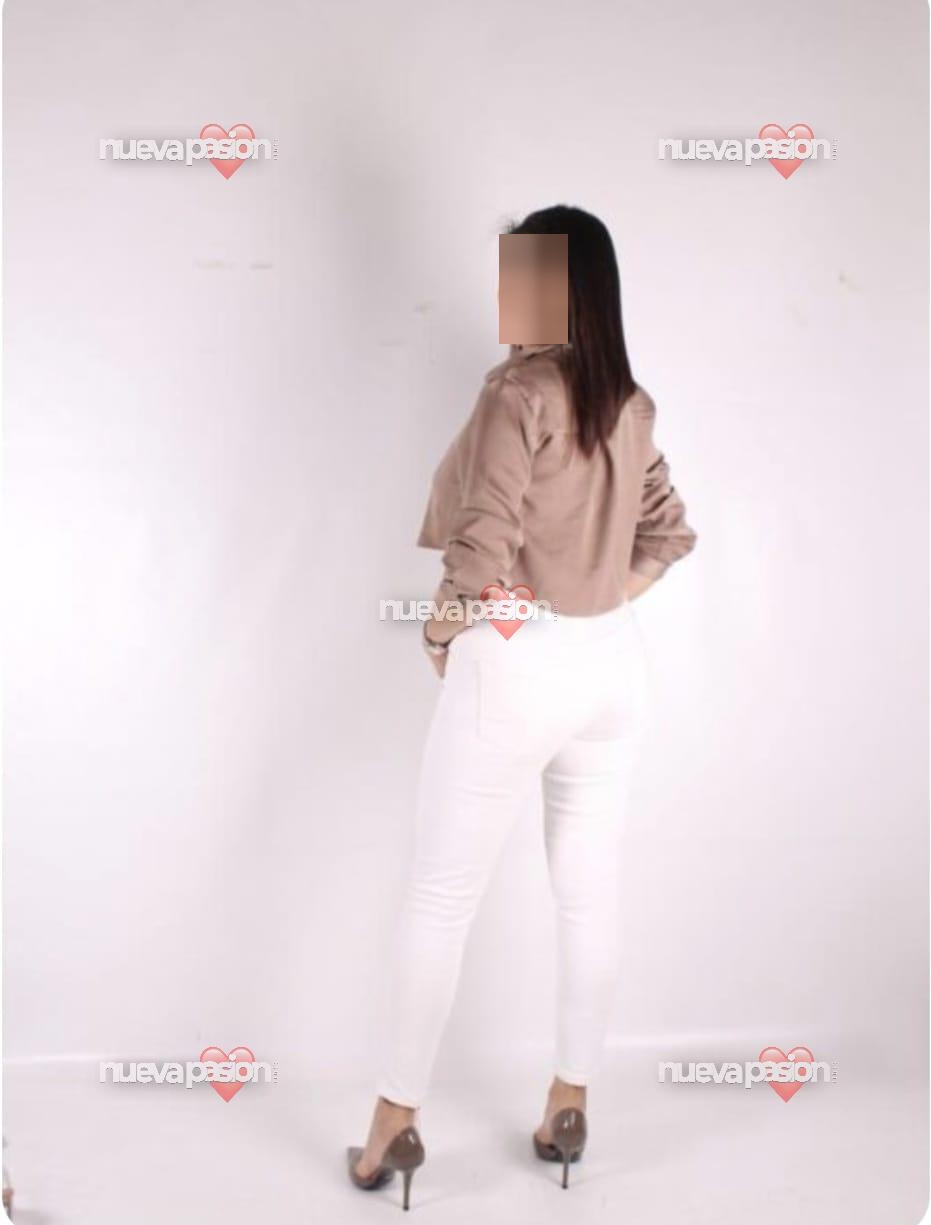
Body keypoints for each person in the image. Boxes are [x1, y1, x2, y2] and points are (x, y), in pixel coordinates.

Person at [346, 205, 697, 1209]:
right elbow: (669, 533)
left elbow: (483, 540)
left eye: (521, 275)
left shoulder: (516, 392)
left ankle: (392, 1126)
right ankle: (568, 1104)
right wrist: (593, 604)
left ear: (556, 286)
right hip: (610, 669)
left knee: (438, 898)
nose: (507, 295)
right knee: (588, 892)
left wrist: (440, 632)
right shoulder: (630, 403)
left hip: (515, 662)